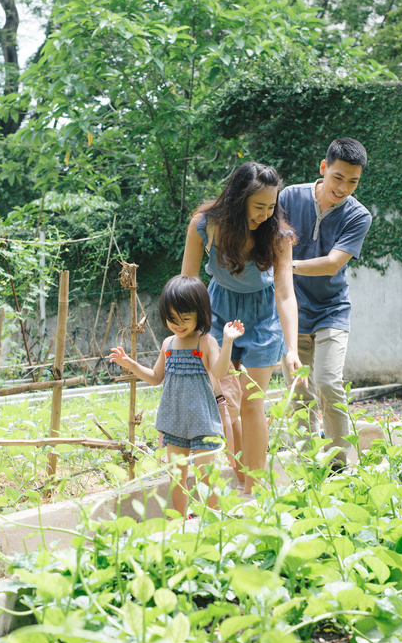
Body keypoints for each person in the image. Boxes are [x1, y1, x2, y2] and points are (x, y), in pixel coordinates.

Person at [181, 162, 301, 496]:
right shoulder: (205, 226)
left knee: (252, 403)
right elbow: (188, 280)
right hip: (217, 309)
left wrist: (291, 348)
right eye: (258, 206)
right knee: (221, 402)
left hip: (262, 315)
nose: (266, 214)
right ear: (238, 200)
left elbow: (285, 293)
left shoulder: (279, 236)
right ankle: (232, 475)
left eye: (271, 207)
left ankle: (254, 488)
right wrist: (189, 328)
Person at [109, 274, 243, 518]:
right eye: (172, 319)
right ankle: (180, 521)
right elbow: (156, 377)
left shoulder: (206, 341)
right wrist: (131, 364)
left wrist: (228, 342)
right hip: (174, 421)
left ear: (200, 314)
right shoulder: (168, 343)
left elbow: (220, 371)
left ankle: (212, 518)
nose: (178, 324)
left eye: (185, 319)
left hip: (203, 420)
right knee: (176, 476)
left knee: (205, 475)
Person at [279, 137, 373, 466]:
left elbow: (333, 263)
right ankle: (307, 468)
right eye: (338, 178)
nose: (344, 187)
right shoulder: (289, 197)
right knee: (300, 394)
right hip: (292, 313)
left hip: (332, 310)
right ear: (323, 168)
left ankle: (339, 465)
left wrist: (286, 266)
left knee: (328, 382)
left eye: (353, 181)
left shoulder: (359, 216)